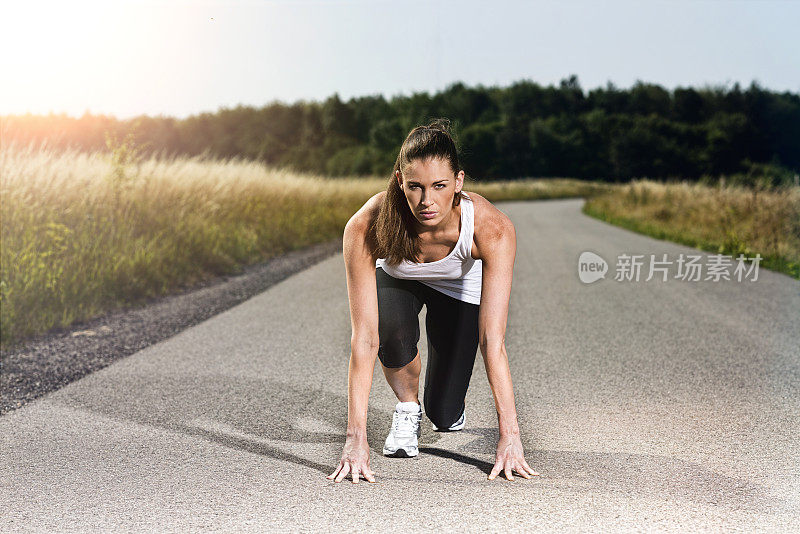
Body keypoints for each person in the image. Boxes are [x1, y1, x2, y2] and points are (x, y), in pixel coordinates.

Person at [327, 119, 539, 484]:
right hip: (400, 281)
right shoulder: (367, 224)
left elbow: (493, 341)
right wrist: (355, 441)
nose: (427, 201)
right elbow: (364, 338)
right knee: (388, 328)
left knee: (443, 412)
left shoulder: (491, 227)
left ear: (458, 181)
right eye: (415, 187)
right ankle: (408, 407)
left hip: (459, 290)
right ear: (399, 182)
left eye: (439, 186)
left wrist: (511, 438)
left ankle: (442, 408)